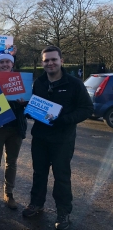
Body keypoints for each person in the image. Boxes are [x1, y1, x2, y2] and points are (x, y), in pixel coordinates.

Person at [22, 46, 93, 230]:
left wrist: (64, 120)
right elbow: (36, 109)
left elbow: (87, 109)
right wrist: (29, 111)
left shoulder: (74, 84)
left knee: (61, 177)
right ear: (42, 62)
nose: (50, 63)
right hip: (40, 138)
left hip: (62, 140)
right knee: (39, 174)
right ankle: (36, 204)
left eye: (53, 59)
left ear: (61, 61)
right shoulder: (39, 83)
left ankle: (63, 212)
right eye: (46, 60)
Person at [0, 53, 27, 210]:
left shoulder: (22, 81)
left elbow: (29, 106)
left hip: (16, 127)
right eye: (1, 62)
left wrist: (24, 104)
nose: (4, 64)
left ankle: (9, 193)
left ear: (12, 64)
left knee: (12, 162)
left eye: (7, 62)